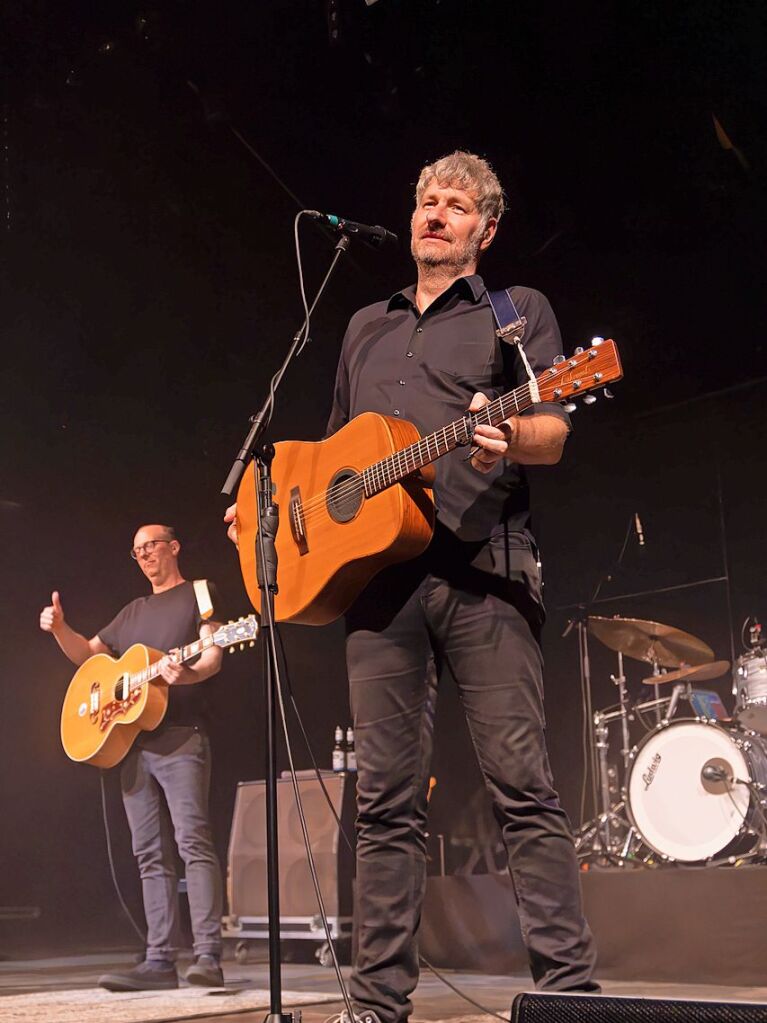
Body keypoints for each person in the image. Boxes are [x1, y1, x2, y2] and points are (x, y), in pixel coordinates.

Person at [226, 150, 598, 1021]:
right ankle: (375, 1004)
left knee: (522, 785)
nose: (435, 213)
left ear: (484, 229)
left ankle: (574, 996)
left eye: (456, 204)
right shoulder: (362, 324)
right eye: (427, 200)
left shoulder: (517, 312)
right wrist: (273, 512)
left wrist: (510, 437)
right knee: (386, 800)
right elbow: (328, 457)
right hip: (377, 586)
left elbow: (552, 428)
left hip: (484, 573)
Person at [40, 524, 226, 991]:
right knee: (149, 854)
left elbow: (212, 657)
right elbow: (88, 657)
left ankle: (208, 957)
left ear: (174, 547)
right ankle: (159, 961)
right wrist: (62, 629)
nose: (144, 556)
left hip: (181, 738)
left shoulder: (199, 593)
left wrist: (177, 676)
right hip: (132, 743)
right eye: (137, 550)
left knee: (193, 844)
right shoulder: (132, 613)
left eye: (152, 546)